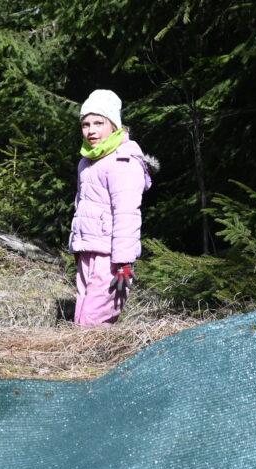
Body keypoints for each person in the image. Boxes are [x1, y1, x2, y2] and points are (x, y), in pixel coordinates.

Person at [69, 89, 155, 327]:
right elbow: (81, 206)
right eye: (86, 124)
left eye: (99, 123)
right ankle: (81, 352)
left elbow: (127, 214)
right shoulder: (86, 161)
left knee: (93, 322)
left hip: (111, 257)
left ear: (114, 125)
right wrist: (77, 244)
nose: (91, 130)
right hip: (88, 249)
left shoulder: (123, 161)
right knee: (80, 317)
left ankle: (91, 353)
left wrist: (124, 262)